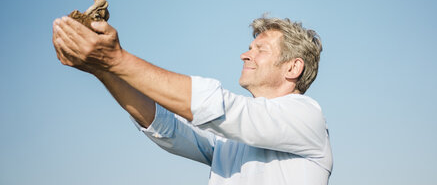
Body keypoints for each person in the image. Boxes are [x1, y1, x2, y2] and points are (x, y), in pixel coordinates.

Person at [52, 15, 333, 184]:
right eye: (249, 47)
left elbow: (221, 108)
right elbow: (168, 129)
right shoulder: (232, 138)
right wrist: (103, 69)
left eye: (260, 49)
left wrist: (116, 59)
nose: (245, 55)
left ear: (292, 68)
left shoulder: (306, 116)